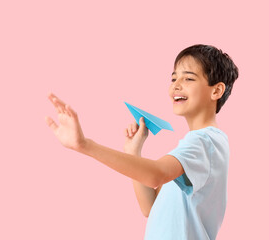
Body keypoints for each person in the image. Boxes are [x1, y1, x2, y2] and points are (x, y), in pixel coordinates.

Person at [45, 44, 239, 240]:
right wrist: (133, 152)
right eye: (173, 78)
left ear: (217, 91)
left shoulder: (205, 141)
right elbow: (150, 207)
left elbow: (156, 174)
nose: (176, 85)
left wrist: (85, 145)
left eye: (188, 78)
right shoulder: (195, 148)